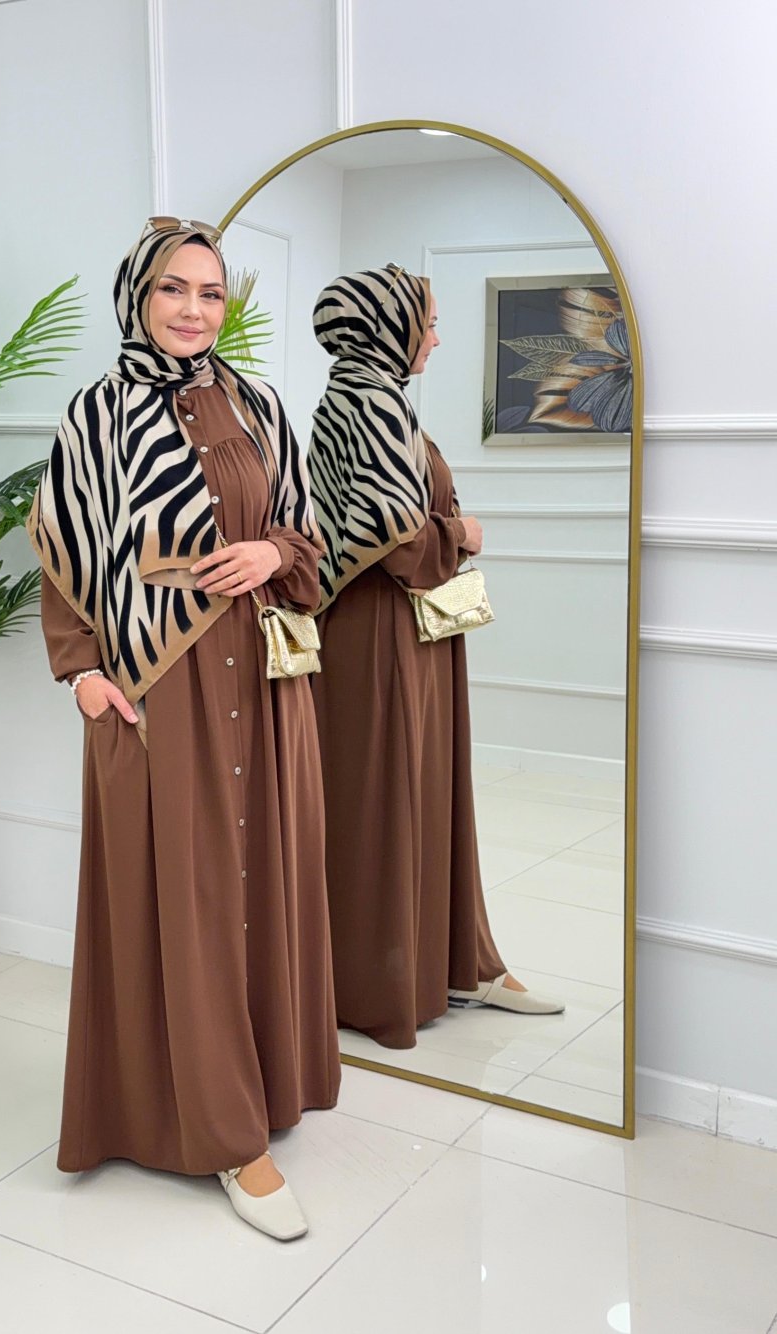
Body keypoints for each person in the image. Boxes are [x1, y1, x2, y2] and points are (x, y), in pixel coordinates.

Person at [27, 219, 340, 1240]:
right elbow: (64, 549)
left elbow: (308, 534)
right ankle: (224, 1134)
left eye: (210, 292)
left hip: (263, 673)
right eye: (174, 289)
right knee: (187, 891)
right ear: (138, 297)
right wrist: (80, 673)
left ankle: (265, 1081)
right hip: (160, 685)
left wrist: (272, 556)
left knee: (259, 880)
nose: (194, 309)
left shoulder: (258, 404)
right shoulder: (96, 413)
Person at [307, 263, 563, 1051]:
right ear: (387, 324)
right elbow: (392, 539)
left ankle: (451, 964)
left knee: (416, 795)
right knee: (388, 802)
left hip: (400, 632)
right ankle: (385, 983)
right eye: (429, 322)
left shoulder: (366, 396)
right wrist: (462, 533)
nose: (437, 338)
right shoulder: (370, 402)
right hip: (380, 634)